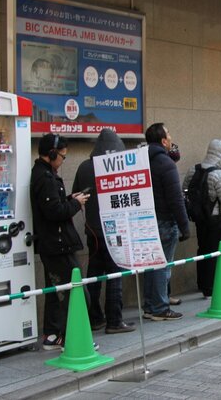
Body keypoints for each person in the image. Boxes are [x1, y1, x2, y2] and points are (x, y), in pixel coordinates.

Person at [72, 129, 135, 334]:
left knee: (94, 275)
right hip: (115, 230)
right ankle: (115, 321)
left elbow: (76, 194)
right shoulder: (119, 168)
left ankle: (94, 317)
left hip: (92, 230)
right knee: (114, 274)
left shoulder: (84, 167)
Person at [30, 133, 91, 350]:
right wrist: (76, 204)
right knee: (75, 292)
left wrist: (69, 200)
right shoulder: (45, 178)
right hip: (57, 244)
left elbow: (53, 205)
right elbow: (54, 211)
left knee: (56, 292)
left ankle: (52, 335)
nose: (63, 161)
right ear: (52, 154)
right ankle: (71, 338)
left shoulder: (43, 174)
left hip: (53, 244)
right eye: (62, 157)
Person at [143, 123, 189, 321]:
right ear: (163, 141)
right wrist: (184, 226)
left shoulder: (141, 161)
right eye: (169, 134)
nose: (171, 138)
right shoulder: (166, 163)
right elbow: (175, 199)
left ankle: (149, 306)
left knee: (150, 265)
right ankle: (160, 308)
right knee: (162, 265)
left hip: (145, 221)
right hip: (164, 222)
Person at [183, 139, 221, 297]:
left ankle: (201, 282)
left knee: (202, 248)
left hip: (198, 217)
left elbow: (184, 190)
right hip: (216, 218)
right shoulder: (219, 174)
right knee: (215, 251)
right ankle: (211, 287)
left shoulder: (194, 170)